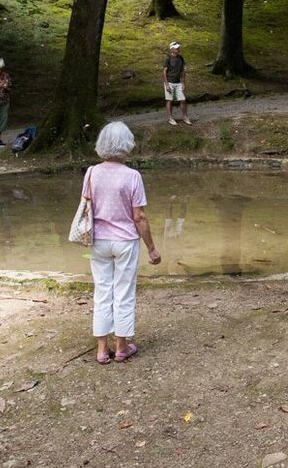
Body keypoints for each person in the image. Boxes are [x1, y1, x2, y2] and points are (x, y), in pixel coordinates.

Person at [85, 121, 162, 364]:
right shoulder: (132, 176)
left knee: (102, 290)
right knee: (124, 292)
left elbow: (87, 208)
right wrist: (151, 247)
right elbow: (139, 216)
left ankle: (101, 349)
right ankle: (120, 347)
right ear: (126, 145)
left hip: (98, 240)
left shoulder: (91, 172)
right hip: (125, 242)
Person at [163, 41, 191, 125]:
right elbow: (164, 72)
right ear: (171, 49)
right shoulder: (168, 58)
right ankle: (170, 118)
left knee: (183, 99)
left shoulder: (180, 58)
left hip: (178, 82)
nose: (178, 49)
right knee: (169, 100)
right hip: (170, 82)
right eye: (176, 48)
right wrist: (166, 84)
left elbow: (182, 70)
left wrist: (183, 82)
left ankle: (185, 117)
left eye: (178, 48)